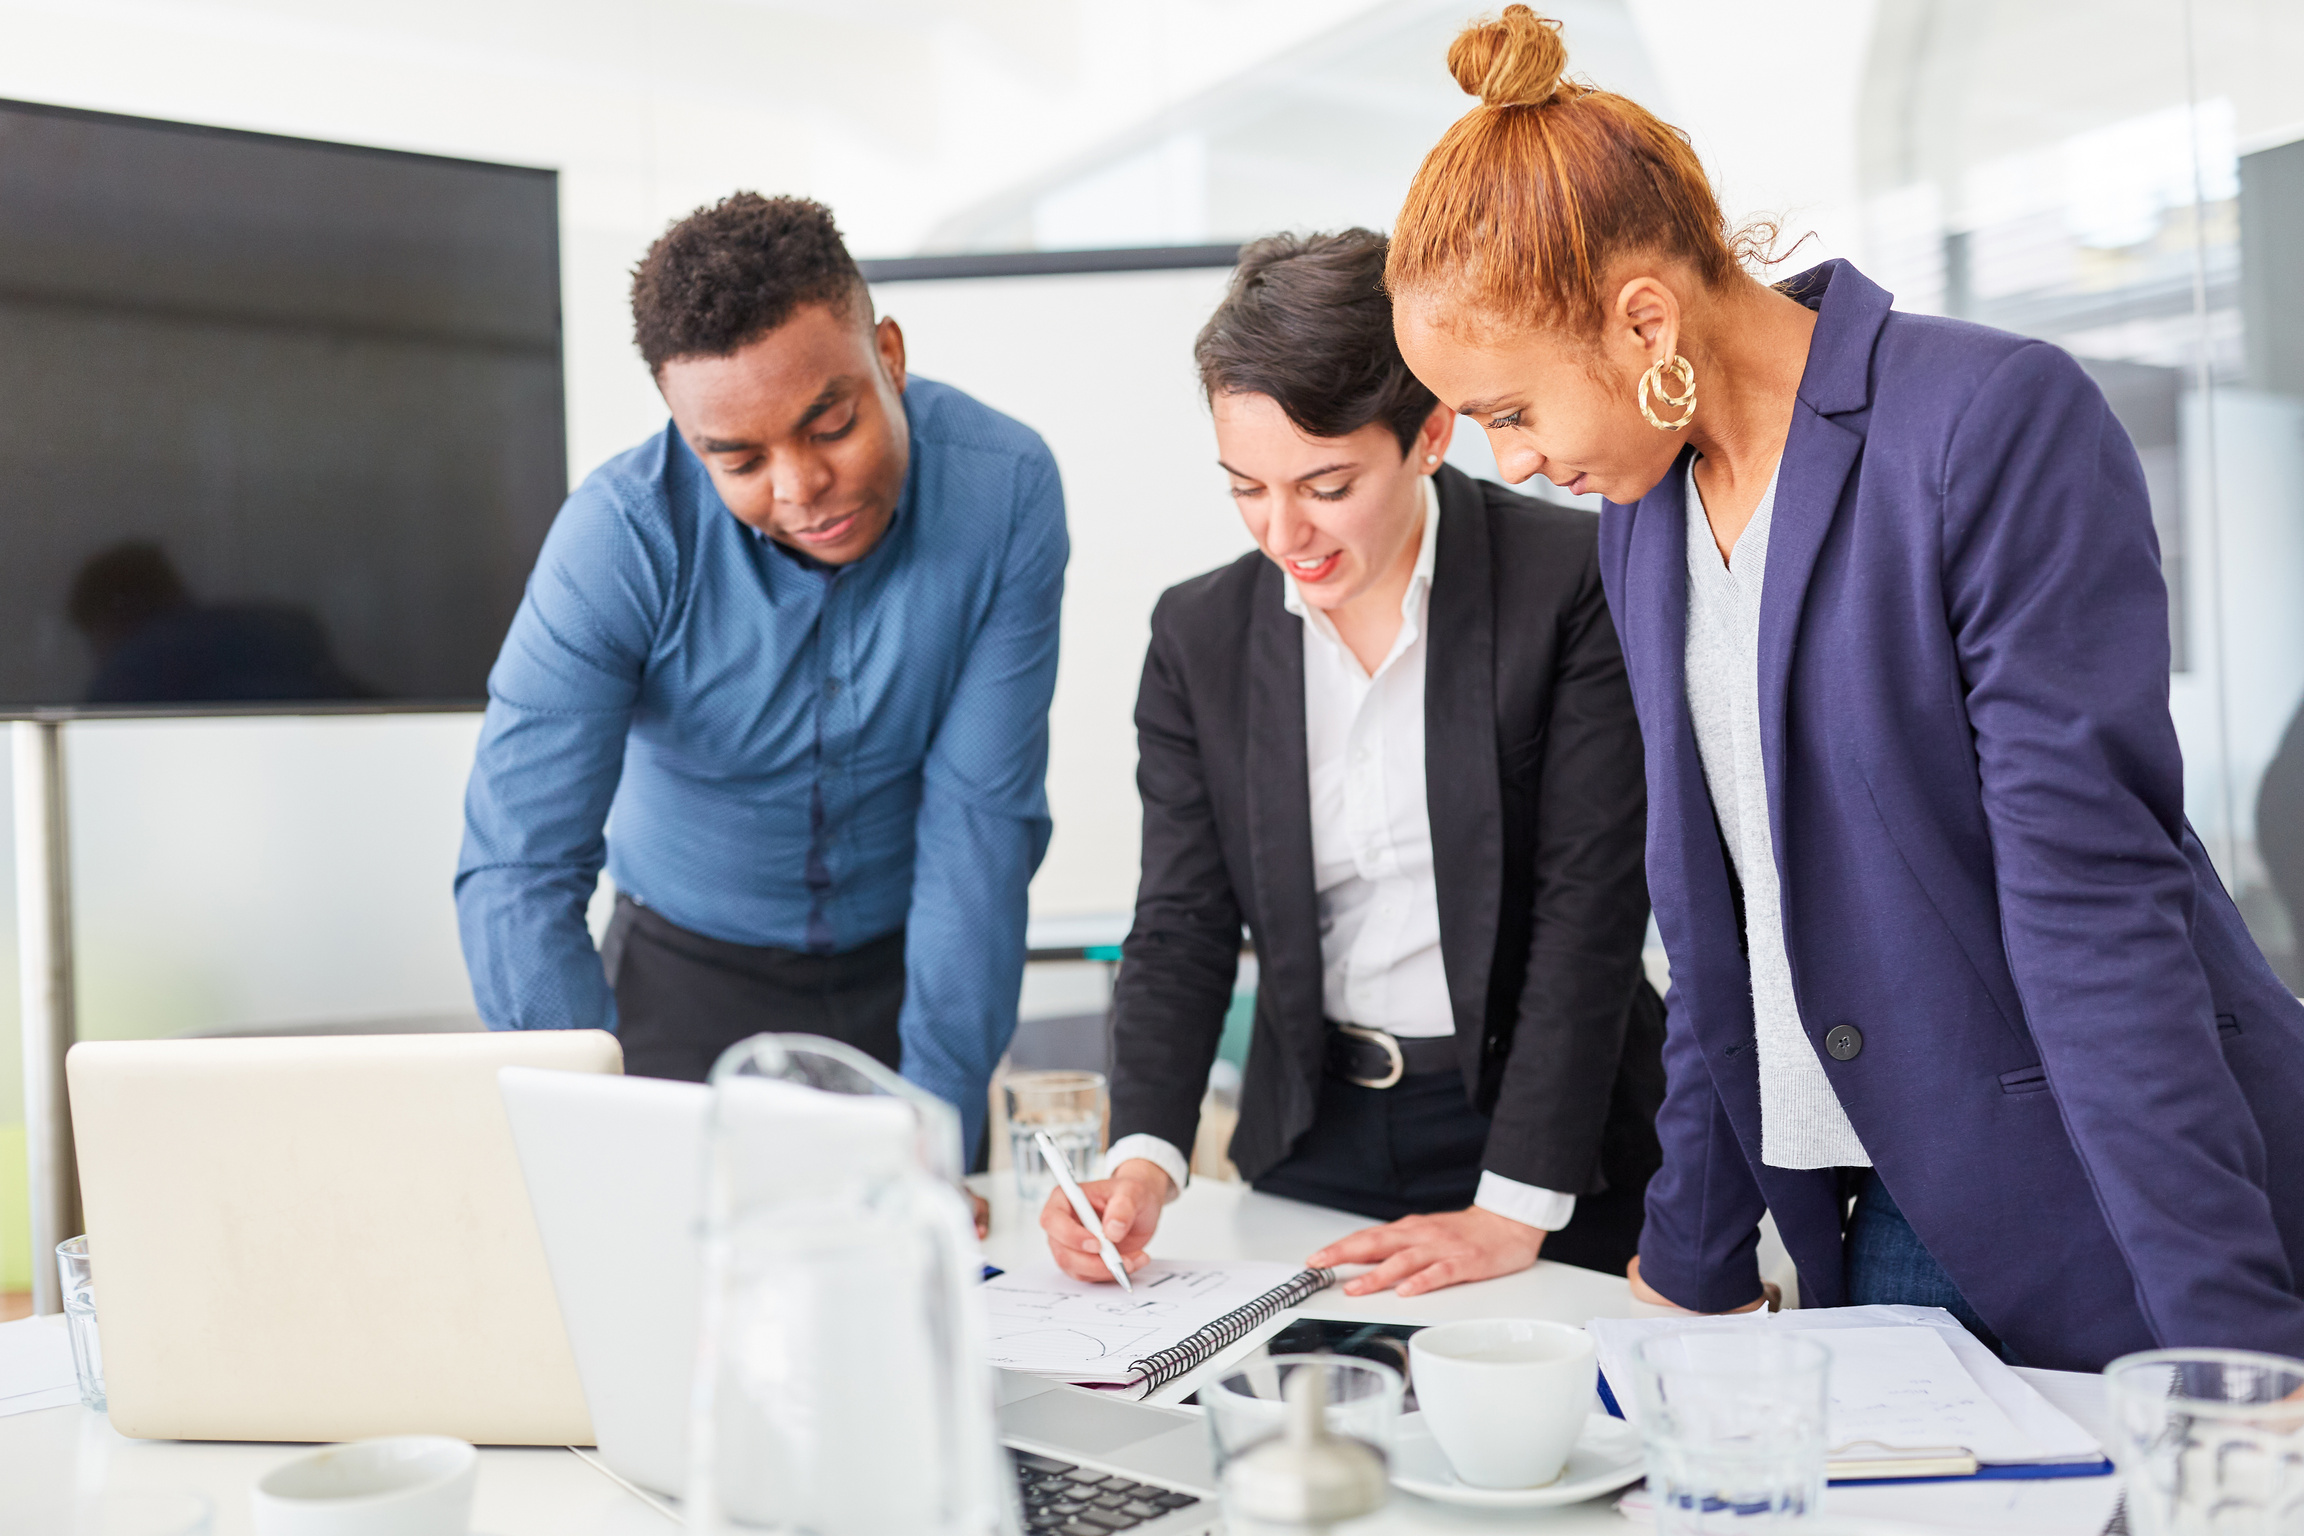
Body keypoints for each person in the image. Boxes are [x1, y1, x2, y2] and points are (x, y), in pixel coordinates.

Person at [1380, 5, 2304, 1368]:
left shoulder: (1988, 421)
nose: (1510, 464)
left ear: (1645, 320)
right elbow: (1716, 925)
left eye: (1513, 412)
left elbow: (2095, 912)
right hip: (1854, 1216)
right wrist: (1687, 1260)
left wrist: (2237, 1349)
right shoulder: (1647, 512)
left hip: (2103, 1207)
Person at [1040, 229, 1664, 1298]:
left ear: (1429, 433)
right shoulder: (1202, 635)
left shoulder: (1569, 583)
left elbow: (1588, 912)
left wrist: (1512, 1207)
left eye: (1326, 484)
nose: (1287, 533)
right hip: (1314, 1139)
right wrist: (1142, 1156)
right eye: (1246, 488)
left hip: (1556, 1145)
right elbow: (1183, 919)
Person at [455, 194, 1068, 1170]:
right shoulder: (619, 538)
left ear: (891, 359)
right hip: (679, 982)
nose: (798, 489)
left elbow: (978, 829)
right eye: (737, 459)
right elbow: (520, 871)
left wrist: (939, 1123)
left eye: (829, 425)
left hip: (908, 977)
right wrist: (590, 1137)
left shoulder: (1005, 489)